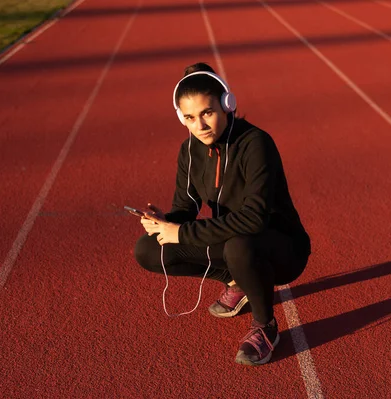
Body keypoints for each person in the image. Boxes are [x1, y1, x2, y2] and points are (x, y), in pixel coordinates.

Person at [133, 62, 310, 366]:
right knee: (148, 249)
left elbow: (254, 219)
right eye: (189, 117)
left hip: (281, 247)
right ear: (181, 118)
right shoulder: (189, 150)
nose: (199, 125)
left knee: (239, 245)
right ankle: (236, 281)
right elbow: (186, 208)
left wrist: (182, 232)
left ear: (227, 104)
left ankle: (265, 326)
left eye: (207, 113)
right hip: (232, 240)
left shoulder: (255, 144)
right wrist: (166, 221)